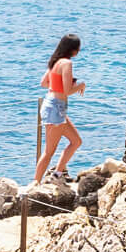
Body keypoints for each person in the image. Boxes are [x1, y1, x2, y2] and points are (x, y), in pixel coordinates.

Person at [34, 33, 84, 184]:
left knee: (76, 141)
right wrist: (80, 85)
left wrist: (60, 85)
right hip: (56, 108)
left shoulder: (55, 62)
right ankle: (35, 182)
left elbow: (44, 83)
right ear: (73, 49)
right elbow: (68, 91)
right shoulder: (66, 64)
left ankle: (57, 175)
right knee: (49, 151)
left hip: (54, 105)